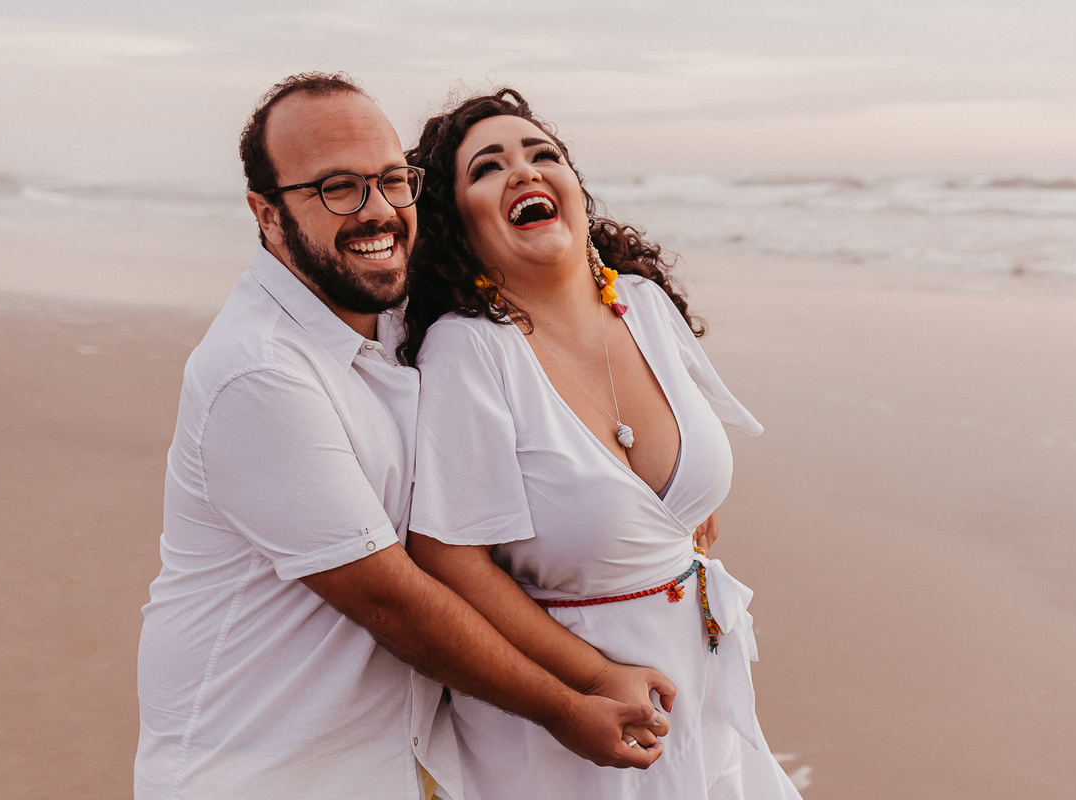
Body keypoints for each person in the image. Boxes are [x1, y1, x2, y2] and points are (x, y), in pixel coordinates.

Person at [134, 73, 673, 800]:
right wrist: (568, 705)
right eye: (337, 188)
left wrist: (671, 479)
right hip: (254, 765)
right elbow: (392, 602)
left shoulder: (391, 314)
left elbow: (532, 292)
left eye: (393, 181)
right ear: (266, 214)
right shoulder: (259, 373)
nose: (377, 212)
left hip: (392, 760)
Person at [401, 89, 805, 799]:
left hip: (698, 677)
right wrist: (592, 677)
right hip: (572, 719)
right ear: (457, 224)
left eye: (542, 154)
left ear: (576, 193)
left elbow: (678, 488)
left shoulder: (643, 305)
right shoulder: (467, 350)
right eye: (487, 168)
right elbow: (447, 558)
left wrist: (676, 521)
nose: (524, 172)